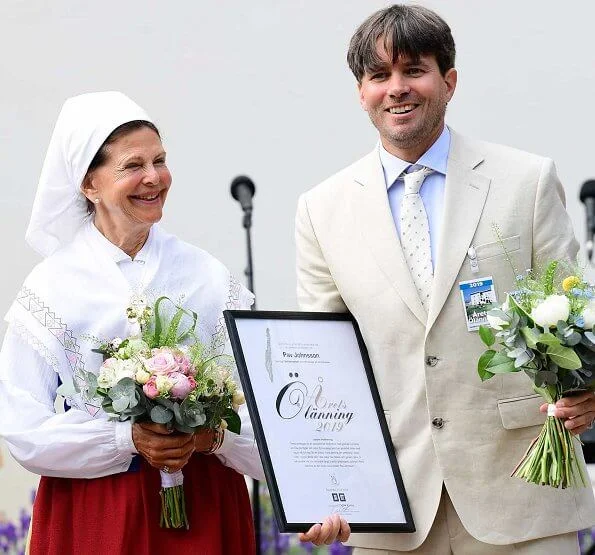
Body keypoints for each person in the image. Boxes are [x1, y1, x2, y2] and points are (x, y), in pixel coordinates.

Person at [295, 5, 595, 554]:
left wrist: (589, 389)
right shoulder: (321, 209)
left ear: (449, 81)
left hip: (524, 494)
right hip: (391, 510)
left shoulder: (525, 181)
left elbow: (579, 310)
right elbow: (322, 363)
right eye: (379, 75)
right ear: (361, 92)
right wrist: (318, 486)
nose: (397, 89)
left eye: (414, 70)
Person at [0, 91, 348, 554]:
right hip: (94, 513)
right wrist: (126, 437)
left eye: (160, 160)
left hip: (205, 507)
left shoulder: (204, 275)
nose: (154, 178)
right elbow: (22, 428)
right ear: (89, 184)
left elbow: (272, 403)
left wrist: (218, 437)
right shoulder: (52, 288)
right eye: (132, 165)